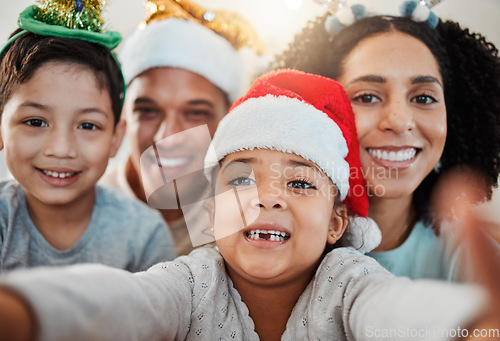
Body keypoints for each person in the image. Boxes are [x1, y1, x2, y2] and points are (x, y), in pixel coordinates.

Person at [0, 69, 496, 341]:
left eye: (300, 184)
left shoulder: (348, 283)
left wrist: (468, 324)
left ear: (335, 222)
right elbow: (125, 302)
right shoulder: (192, 282)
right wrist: (29, 312)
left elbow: (396, 311)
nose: (268, 195)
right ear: (212, 213)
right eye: (241, 180)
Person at [274, 0, 500, 280]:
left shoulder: (480, 265)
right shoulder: (266, 233)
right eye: (367, 97)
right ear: (317, 108)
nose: (398, 120)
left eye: (423, 98)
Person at [0, 2, 176, 272]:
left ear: (116, 137)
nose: (61, 149)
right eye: (35, 121)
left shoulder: (144, 236)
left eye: (88, 126)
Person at [101, 0, 267, 255]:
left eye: (195, 113)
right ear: (122, 117)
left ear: (228, 122)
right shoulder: (82, 205)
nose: (167, 136)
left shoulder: (250, 219)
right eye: (148, 111)